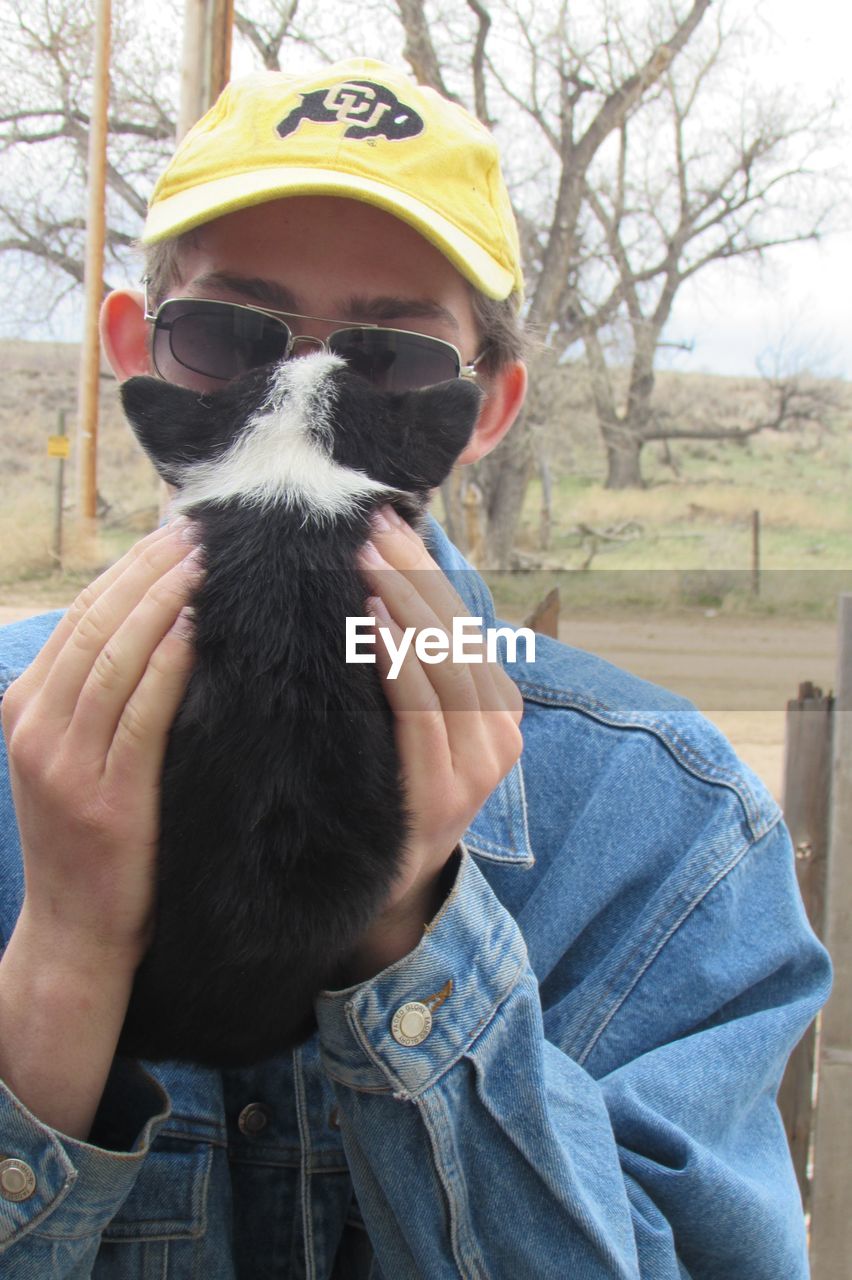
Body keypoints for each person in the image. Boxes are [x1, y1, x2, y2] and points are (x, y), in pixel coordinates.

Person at [0, 58, 830, 1278]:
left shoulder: (669, 824)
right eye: (231, 333)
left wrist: (410, 926)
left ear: (482, 410)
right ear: (140, 354)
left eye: (390, 357)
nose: (306, 388)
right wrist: (65, 950)